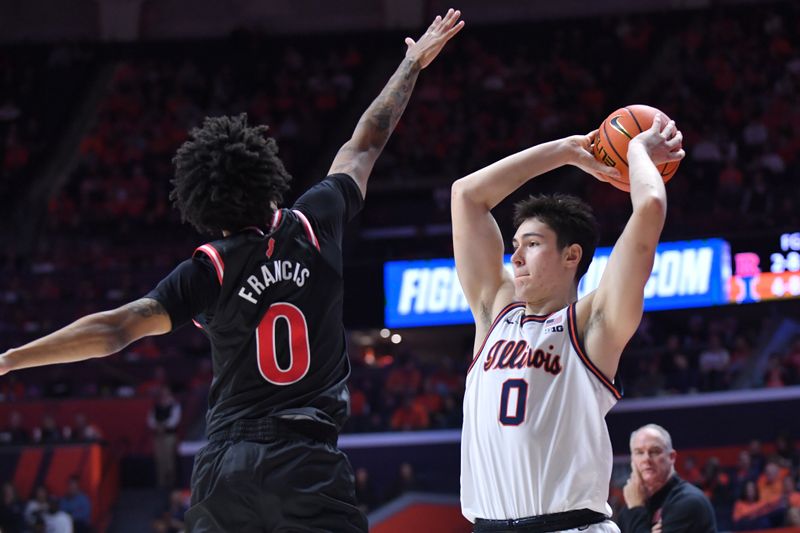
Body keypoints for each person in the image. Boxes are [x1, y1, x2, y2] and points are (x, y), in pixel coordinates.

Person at [0, 10, 464, 532]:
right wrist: (410, 64)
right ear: (269, 180)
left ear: (205, 210)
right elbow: (366, 141)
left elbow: (115, 330)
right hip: (305, 460)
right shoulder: (316, 220)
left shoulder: (208, 269)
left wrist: (12, 359)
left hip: (226, 465)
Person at [453, 114, 684, 532]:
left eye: (533, 244)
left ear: (571, 255)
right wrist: (565, 152)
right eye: (516, 246)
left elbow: (649, 207)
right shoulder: (494, 312)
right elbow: (466, 194)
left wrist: (636, 153)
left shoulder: (593, 323)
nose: (517, 257)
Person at [618, 424, 716, 532]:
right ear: (632, 460)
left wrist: (636, 509)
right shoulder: (628, 509)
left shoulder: (690, 502)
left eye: (655, 451)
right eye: (639, 452)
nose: (646, 458)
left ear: (672, 457)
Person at [146, 386, 182, 488]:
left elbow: (174, 421)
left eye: (166, 394)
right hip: (158, 437)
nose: (164, 396)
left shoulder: (174, 406)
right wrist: (157, 426)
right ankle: (161, 483)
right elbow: (150, 421)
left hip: (169, 436)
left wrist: (162, 425)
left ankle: (172, 483)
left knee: (169, 460)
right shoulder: (156, 407)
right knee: (159, 460)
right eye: (162, 394)